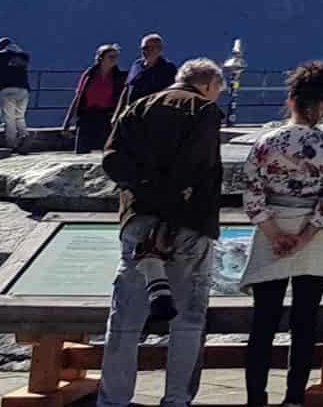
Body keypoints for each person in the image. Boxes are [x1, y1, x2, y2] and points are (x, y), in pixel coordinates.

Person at [95, 57, 227, 407]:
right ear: (209, 86)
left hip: (137, 218)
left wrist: (145, 188)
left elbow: (111, 160)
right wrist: (171, 201)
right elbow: (195, 167)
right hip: (188, 222)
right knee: (188, 316)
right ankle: (175, 399)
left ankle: (112, 400)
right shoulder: (204, 111)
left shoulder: (136, 108)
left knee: (125, 315)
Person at [241, 61, 323, 406]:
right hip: (314, 238)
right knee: (305, 322)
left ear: (291, 100)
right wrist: (303, 238)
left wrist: (274, 234)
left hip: (273, 229)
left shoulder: (265, 143)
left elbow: (252, 193)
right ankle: (294, 397)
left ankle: (256, 397)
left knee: (264, 322)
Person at [64, 45, 128, 155]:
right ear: (101, 58)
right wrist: (67, 121)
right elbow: (78, 97)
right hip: (87, 117)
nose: (114, 59)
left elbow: (123, 99)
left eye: (116, 57)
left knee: (108, 152)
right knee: (81, 152)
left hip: (107, 117)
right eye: (111, 56)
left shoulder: (118, 77)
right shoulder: (89, 75)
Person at [126, 34, 177, 106]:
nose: (146, 51)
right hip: (131, 112)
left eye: (151, 48)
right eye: (144, 48)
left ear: (159, 49)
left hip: (154, 113)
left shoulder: (168, 68)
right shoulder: (136, 65)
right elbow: (126, 90)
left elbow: (172, 93)